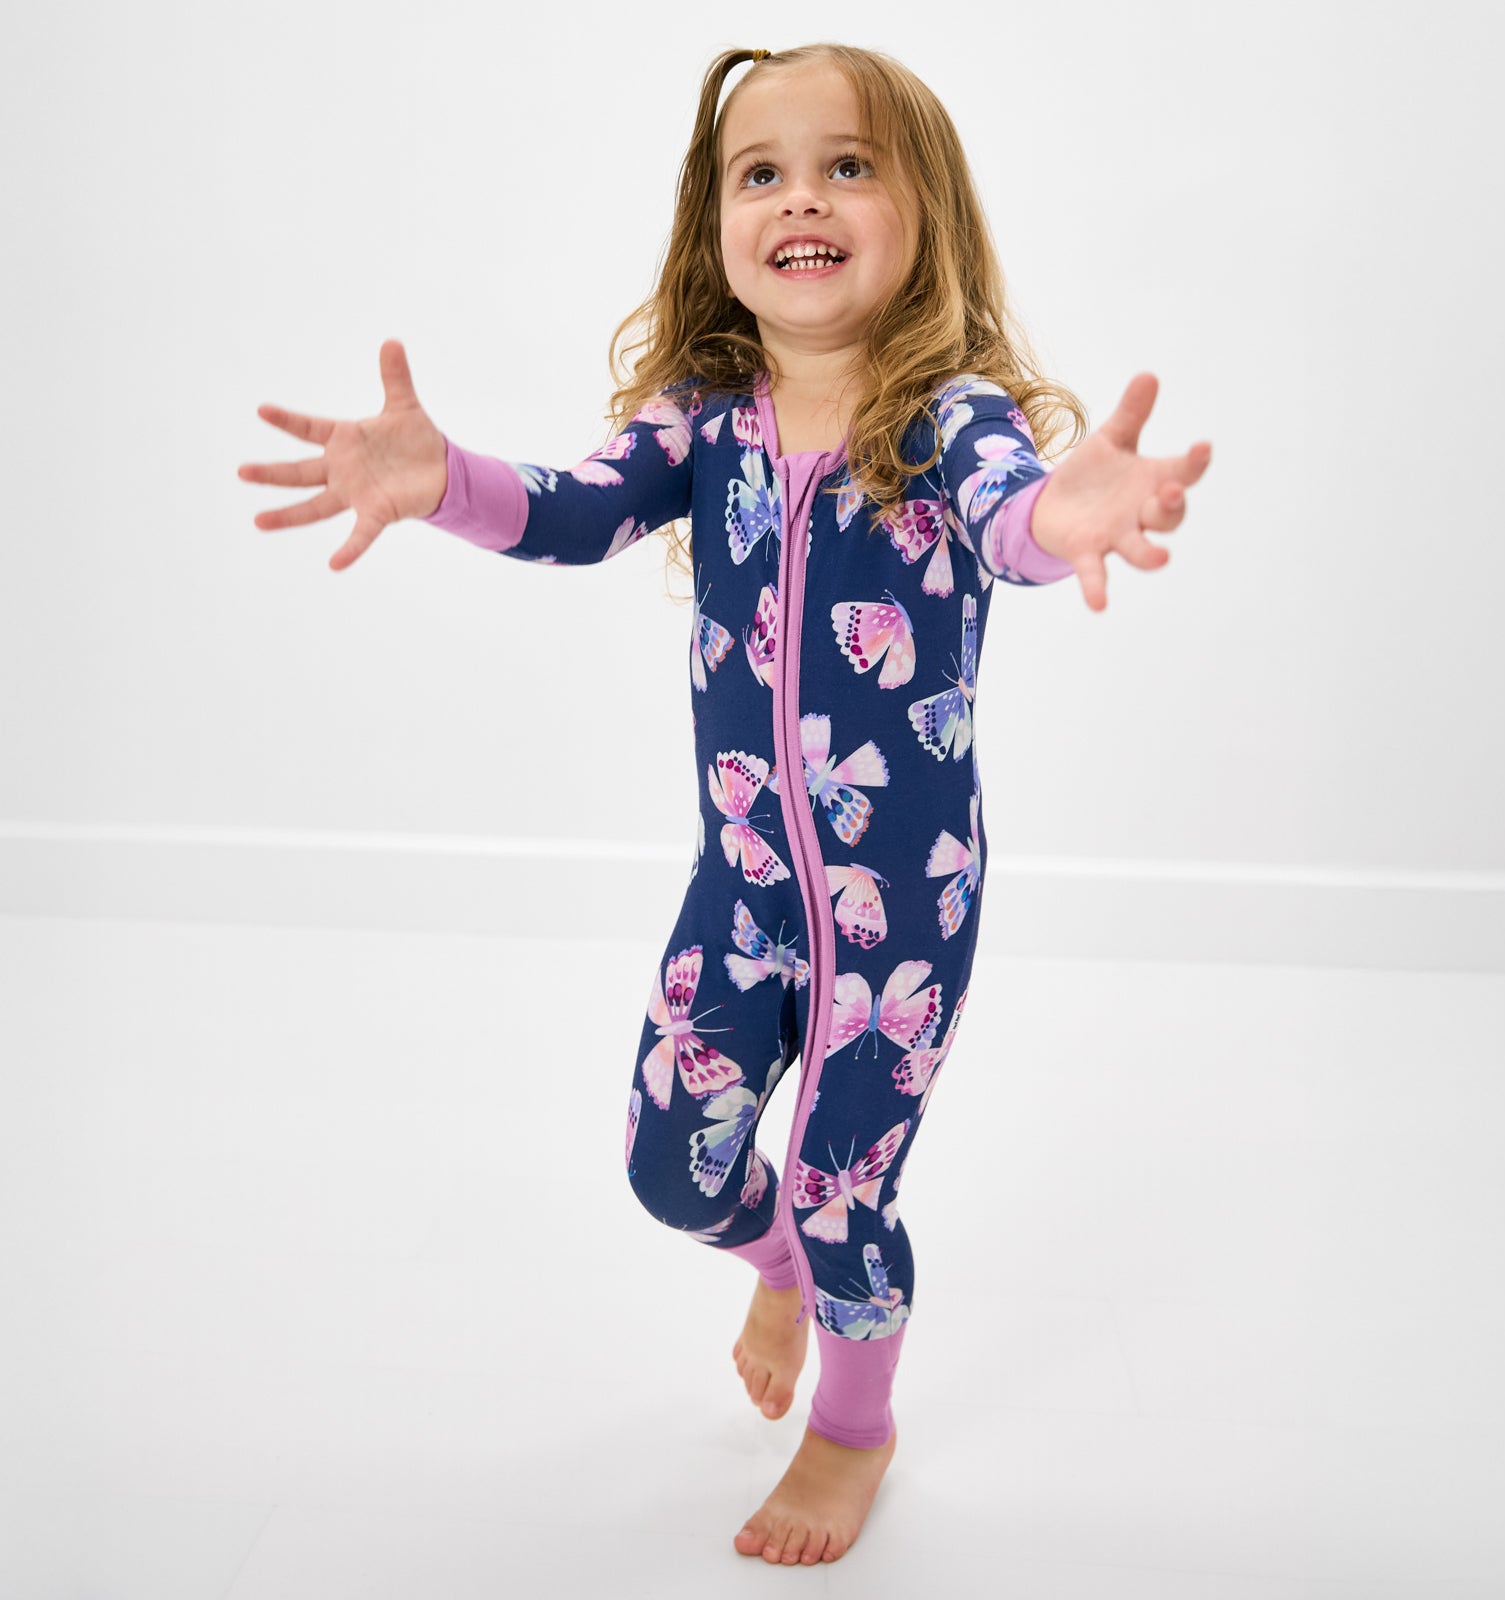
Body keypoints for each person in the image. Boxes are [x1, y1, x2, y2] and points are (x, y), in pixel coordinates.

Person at [237, 41, 1211, 1568]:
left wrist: (1060, 518)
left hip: (903, 917)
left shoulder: (948, 418)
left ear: (926, 215)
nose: (800, 197)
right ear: (717, 224)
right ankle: (782, 1272)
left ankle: (855, 1428)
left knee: (839, 1192)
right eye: (762, 172)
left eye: (848, 165)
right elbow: (574, 510)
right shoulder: (703, 417)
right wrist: (442, 480)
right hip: (743, 893)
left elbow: (1014, 521)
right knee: (670, 1171)